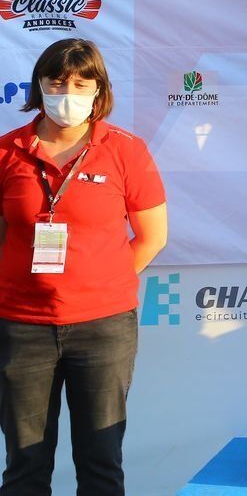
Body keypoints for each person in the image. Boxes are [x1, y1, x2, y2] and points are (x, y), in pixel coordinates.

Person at [0, 38, 168, 494]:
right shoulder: (7, 151)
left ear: (98, 90)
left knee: (100, 463)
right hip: (22, 327)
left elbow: (152, 236)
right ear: (39, 85)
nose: (67, 93)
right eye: (57, 82)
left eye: (80, 83)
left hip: (103, 329)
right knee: (24, 466)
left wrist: (102, 283)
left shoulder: (126, 150)